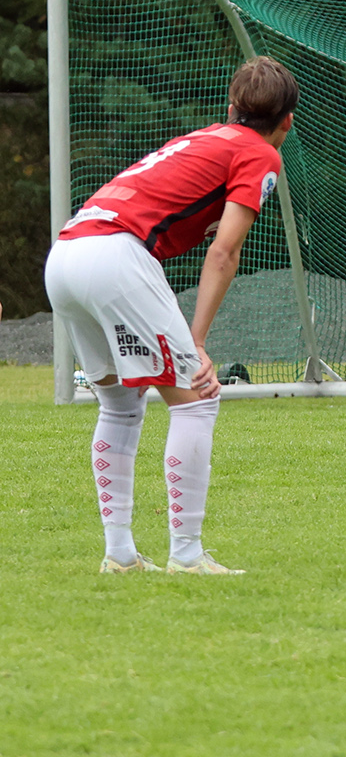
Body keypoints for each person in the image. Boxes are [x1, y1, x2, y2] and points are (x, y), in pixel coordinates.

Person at [44, 56, 300, 575]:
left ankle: (120, 556)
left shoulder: (208, 137)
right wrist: (197, 340)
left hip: (67, 253)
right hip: (114, 257)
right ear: (287, 123)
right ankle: (186, 554)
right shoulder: (261, 153)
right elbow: (225, 253)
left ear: (230, 108)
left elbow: (170, 207)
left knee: (119, 406)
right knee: (197, 399)